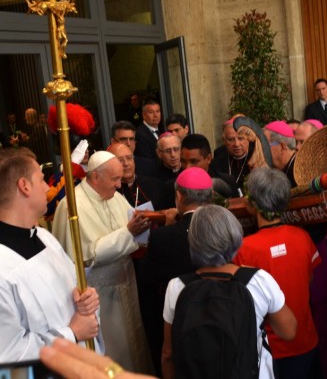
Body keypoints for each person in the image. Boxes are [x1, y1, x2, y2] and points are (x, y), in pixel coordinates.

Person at [161, 205, 297, 379]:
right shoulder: (258, 280)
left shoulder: (177, 286)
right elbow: (289, 331)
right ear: (234, 236)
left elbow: (168, 353)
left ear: (193, 241)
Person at [53, 151, 153, 373]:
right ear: (95, 177)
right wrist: (129, 232)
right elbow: (90, 254)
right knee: (113, 351)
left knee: (135, 348)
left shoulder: (114, 196)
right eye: (115, 179)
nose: (119, 186)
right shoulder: (72, 206)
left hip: (126, 283)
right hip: (100, 296)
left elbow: (129, 235)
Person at [0, 148, 102, 361]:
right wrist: (71, 333)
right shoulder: (4, 268)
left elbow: (73, 289)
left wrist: (85, 298)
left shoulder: (44, 237)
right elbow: (8, 358)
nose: (47, 187)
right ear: (24, 186)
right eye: (42, 179)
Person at [234, 168, 321, 378]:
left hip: (269, 350)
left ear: (253, 203)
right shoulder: (303, 237)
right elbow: (308, 280)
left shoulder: (243, 249)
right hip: (306, 340)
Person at [138, 167, 213, 376]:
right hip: (219, 311)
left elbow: (145, 275)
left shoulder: (164, 237)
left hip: (180, 320)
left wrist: (168, 227)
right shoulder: (222, 226)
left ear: (179, 195)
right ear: (211, 196)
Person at [210, 118, 251, 193]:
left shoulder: (258, 160)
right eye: (231, 140)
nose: (236, 144)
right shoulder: (215, 165)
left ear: (248, 139)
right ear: (224, 140)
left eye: (241, 138)